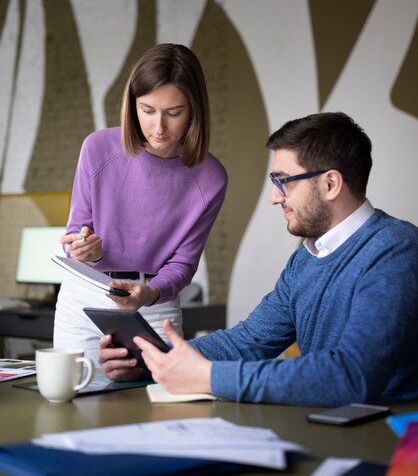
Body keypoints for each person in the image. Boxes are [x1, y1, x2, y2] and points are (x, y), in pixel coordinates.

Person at [99, 112, 418, 406]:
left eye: (283, 181)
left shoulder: (396, 252)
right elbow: (247, 342)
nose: (274, 197)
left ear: (331, 184)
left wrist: (209, 378)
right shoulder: (306, 259)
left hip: (393, 443)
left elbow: (348, 375)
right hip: (332, 427)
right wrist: (146, 361)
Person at [54, 43, 228, 366]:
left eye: (174, 113)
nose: (158, 127)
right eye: (147, 110)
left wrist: (150, 293)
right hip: (85, 296)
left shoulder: (211, 178)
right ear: (132, 104)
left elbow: (183, 263)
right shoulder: (97, 148)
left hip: (154, 303)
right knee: (74, 399)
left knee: (152, 404)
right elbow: (77, 230)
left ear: (195, 110)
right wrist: (84, 247)